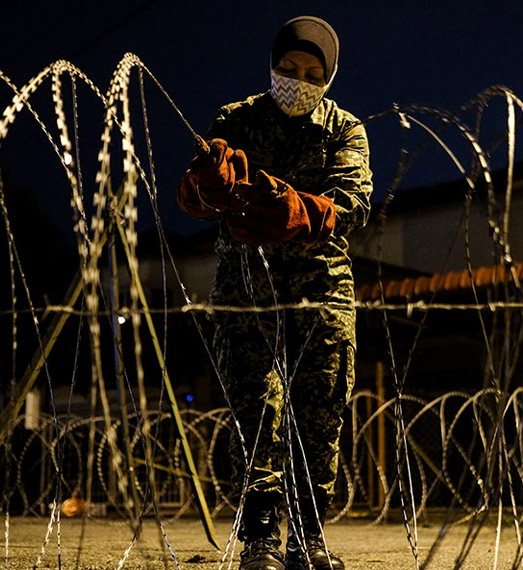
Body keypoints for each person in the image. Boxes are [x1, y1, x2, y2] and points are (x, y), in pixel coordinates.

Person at [177, 15, 372, 570]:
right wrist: (206, 185)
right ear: (271, 65)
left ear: (328, 77)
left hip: (321, 290)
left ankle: (308, 539)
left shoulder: (344, 129)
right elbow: (195, 196)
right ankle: (260, 536)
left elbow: (353, 203)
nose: (297, 79)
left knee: (319, 412)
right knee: (256, 411)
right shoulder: (234, 121)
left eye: (311, 72)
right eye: (287, 68)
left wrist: (299, 211)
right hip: (246, 289)